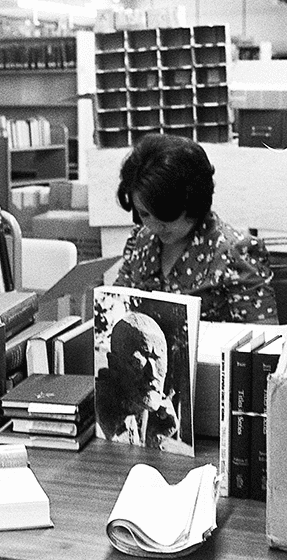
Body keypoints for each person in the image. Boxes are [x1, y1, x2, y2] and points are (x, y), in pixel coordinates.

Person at [113, 133, 278, 324]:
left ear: (193, 203)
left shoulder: (235, 252)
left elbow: (264, 337)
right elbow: (116, 309)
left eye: (166, 216)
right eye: (144, 214)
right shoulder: (140, 241)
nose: (154, 226)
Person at [95, 312, 181, 450]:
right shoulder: (97, 418)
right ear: (114, 364)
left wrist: (154, 438)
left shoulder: (140, 410)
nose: (153, 374)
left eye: (159, 361)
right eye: (138, 361)